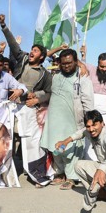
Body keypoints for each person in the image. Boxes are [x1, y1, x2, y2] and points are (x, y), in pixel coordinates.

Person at [40, 48, 94, 190]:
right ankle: (60, 172)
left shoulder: (83, 78)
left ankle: (72, 177)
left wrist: (89, 119)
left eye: (70, 63)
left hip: (73, 120)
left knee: (72, 148)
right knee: (55, 145)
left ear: (76, 62)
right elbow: (42, 62)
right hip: (54, 119)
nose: (66, 66)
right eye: (63, 64)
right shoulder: (55, 76)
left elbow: (88, 101)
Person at [0, 14, 52, 108]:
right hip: (11, 104)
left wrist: (37, 98)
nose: (31, 52)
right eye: (31, 49)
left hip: (28, 108)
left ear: (41, 56)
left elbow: (49, 93)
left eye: (35, 51)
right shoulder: (23, 59)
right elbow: (13, 44)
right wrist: (3, 26)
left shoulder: (45, 74)